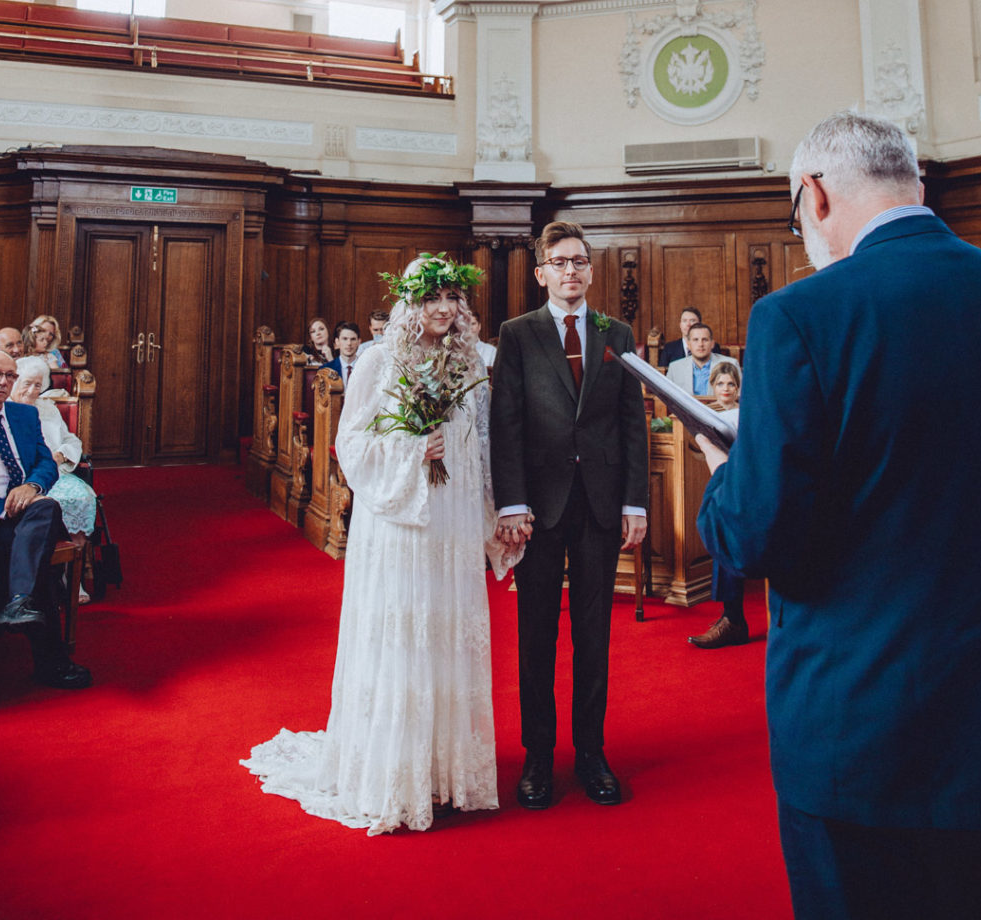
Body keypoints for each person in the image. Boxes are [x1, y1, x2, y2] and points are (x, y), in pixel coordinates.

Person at [695, 110, 981, 919]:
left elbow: (758, 534)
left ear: (816, 194)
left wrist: (721, 474)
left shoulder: (801, 316)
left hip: (861, 721)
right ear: (917, 184)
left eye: (795, 218)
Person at [242, 253, 516, 834]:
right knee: (405, 635)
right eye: (430, 298)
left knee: (444, 635)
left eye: (451, 299)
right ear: (410, 304)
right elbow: (352, 444)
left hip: (450, 522)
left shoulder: (471, 365)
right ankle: (395, 771)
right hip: (399, 528)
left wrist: (496, 518)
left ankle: (445, 773)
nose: (442, 309)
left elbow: (483, 449)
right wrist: (415, 451)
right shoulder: (377, 360)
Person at [490, 220, 649, 811]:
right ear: (541, 273)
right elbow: (504, 425)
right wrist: (511, 503)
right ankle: (537, 758)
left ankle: (591, 755)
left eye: (580, 261)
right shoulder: (518, 334)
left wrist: (636, 502)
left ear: (590, 268)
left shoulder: (616, 332)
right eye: (560, 262)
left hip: (601, 504)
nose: (572, 271)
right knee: (536, 635)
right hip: (538, 507)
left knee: (593, 636)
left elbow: (631, 423)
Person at [0, 347, 91, 688]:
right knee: (39, 572)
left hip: (27, 516)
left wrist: (32, 486)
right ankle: (50, 660)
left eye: (9, 376)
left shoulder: (23, 416)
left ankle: (18, 602)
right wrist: (3, 507)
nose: (3, 383)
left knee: (48, 507)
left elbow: (47, 463)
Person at [13, 356, 97, 600]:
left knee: (81, 496)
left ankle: (72, 578)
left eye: (38, 385)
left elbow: (72, 440)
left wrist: (61, 454)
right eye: (27, 383)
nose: (32, 391)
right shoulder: (3, 407)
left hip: (55, 472)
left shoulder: (47, 407)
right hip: (21, 477)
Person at [687, 359, 748, 650]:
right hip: (730, 483)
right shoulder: (714, 414)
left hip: (746, 487)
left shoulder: (745, 414)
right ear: (713, 387)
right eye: (721, 384)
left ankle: (733, 619)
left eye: (731, 384)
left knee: (726, 527)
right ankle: (730, 615)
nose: (726, 389)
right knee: (720, 524)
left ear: (739, 388)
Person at [665, 323, 729, 397]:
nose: (700, 344)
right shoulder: (675, 368)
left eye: (705, 340)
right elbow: (667, 398)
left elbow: (739, 397)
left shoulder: (731, 364)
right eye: (695, 340)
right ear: (688, 345)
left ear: (712, 344)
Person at [328, 321, 361, 392]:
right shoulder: (326, 369)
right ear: (337, 342)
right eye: (345, 339)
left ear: (359, 342)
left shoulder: (366, 368)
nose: (349, 343)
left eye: (353, 339)